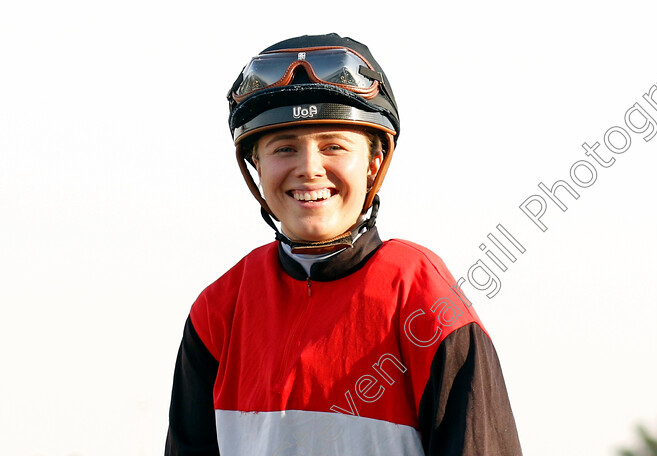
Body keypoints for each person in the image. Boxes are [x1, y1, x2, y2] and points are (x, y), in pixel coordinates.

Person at [165, 33, 522, 456]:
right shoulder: (218, 310)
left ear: (373, 164)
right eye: (284, 148)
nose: (310, 169)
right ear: (256, 165)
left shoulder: (425, 301)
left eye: (333, 146)